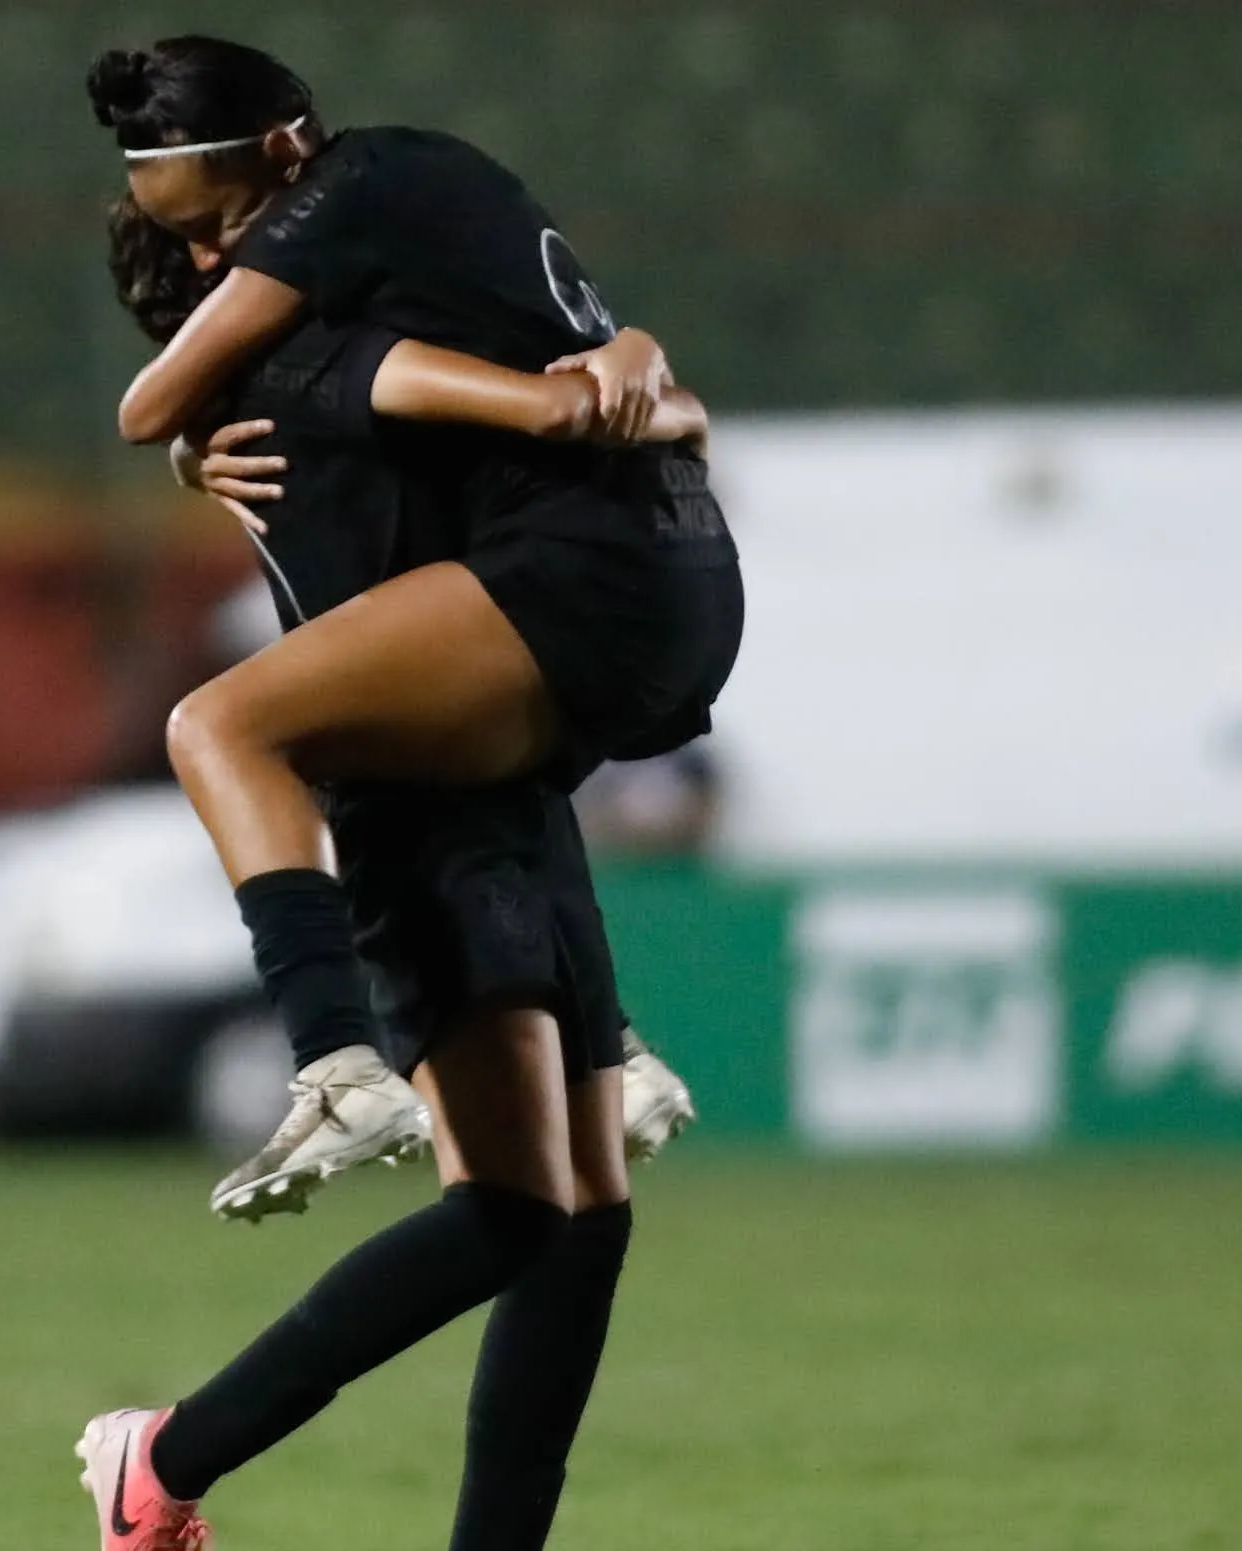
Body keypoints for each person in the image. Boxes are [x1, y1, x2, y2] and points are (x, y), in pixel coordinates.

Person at [94, 36, 743, 1220]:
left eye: (226, 231)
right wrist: (640, 361)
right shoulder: (330, 382)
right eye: (201, 256)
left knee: (222, 727)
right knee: (556, 1211)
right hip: (441, 739)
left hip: (397, 780)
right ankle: (614, 1051)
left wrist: (625, 363)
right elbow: (577, 407)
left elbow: (150, 409)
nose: (226, 259)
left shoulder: (335, 366)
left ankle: (338, 1064)